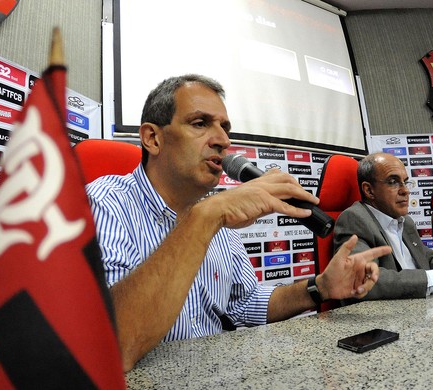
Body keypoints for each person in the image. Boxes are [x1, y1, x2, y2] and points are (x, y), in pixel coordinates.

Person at [86, 74, 391, 371]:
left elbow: (246, 302)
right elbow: (117, 344)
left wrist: (320, 287)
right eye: (200, 123)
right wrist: (206, 218)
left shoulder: (213, 213)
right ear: (153, 138)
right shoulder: (107, 201)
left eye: (224, 127)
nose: (222, 140)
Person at [333, 152, 433, 302]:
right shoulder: (354, 219)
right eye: (393, 182)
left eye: (405, 182)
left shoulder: (405, 221)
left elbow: (426, 259)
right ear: (369, 190)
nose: (405, 190)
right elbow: (364, 279)